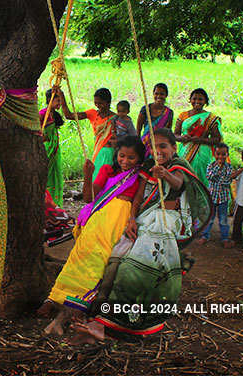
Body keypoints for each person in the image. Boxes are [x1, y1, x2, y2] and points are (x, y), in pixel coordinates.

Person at [80, 128, 211, 340]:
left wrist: (165, 174)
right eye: (153, 146)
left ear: (173, 148)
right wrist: (131, 219)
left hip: (166, 222)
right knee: (116, 257)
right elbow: (139, 197)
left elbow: (179, 183)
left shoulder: (179, 165)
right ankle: (102, 313)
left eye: (163, 146)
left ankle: (118, 324)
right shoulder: (148, 167)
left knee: (136, 266)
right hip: (143, 219)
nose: (158, 150)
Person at [39, 136, 146, 336]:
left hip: (119, 222)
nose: (125, 161)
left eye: (131, 158)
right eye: (122, 156)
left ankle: (79, 302)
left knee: (99, 259)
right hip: (99, 218)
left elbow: (137, 201)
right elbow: (89, 198)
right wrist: (88, 174)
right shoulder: (107, 170)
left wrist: (132, 219)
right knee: (79, 255)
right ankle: (54, 297)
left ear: (139, 159)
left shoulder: (139, 176)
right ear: (117, 155)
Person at [60, 88, 116, 181]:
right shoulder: (92, 113)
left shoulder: (115, 118)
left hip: (109, 153)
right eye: (96, 103)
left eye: (101, 103)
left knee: (104, 177)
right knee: (96, 177)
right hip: (97, 151)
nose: (98, 106)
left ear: (108, 102)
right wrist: (61, 95)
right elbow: (69, 115)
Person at [174, 88, 221, 185]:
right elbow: (175, 135)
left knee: (202, 178)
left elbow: (217, 139)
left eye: (200, 99)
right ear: (190, 100)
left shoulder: (210, 118)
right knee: (185, 176)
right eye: (194, 99)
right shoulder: (183, 116)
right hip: (185, 151)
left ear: (205, 102)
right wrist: (182, 138)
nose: (197, 102)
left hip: (202, 153)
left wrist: (200, 139)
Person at [200, 143, 232, 247]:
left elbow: (227, 181)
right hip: (212, 197)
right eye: (218, 154)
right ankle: (205, 236)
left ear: (227, 155)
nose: (220, 157)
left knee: (223, 219)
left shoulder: (229, 167)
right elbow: (209, 177)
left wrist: (220, 177)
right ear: (214, 154)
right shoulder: (211, 166)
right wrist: (218, 169)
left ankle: (225, 238)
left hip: (223, 198)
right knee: (210, 218)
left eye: (223, 154)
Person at [40, 89, 64, 207]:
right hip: (47, 149)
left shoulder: (54, 114)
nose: (60, 103)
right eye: (57, 100)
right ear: (50, 100)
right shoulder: (42, 114)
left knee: (55, 175)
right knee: (47, 175)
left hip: (55, 150)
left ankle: (54, 203)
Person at [137, 83, 174, 156]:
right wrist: (138, 145)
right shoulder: (146, 109)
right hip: (145, 143)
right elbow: (138, 129)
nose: (159, 96)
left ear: (166, 95)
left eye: (162, 94)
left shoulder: (169, 112)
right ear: (153, 94)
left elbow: (168, 131)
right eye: (156, 93)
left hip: (159, 145)